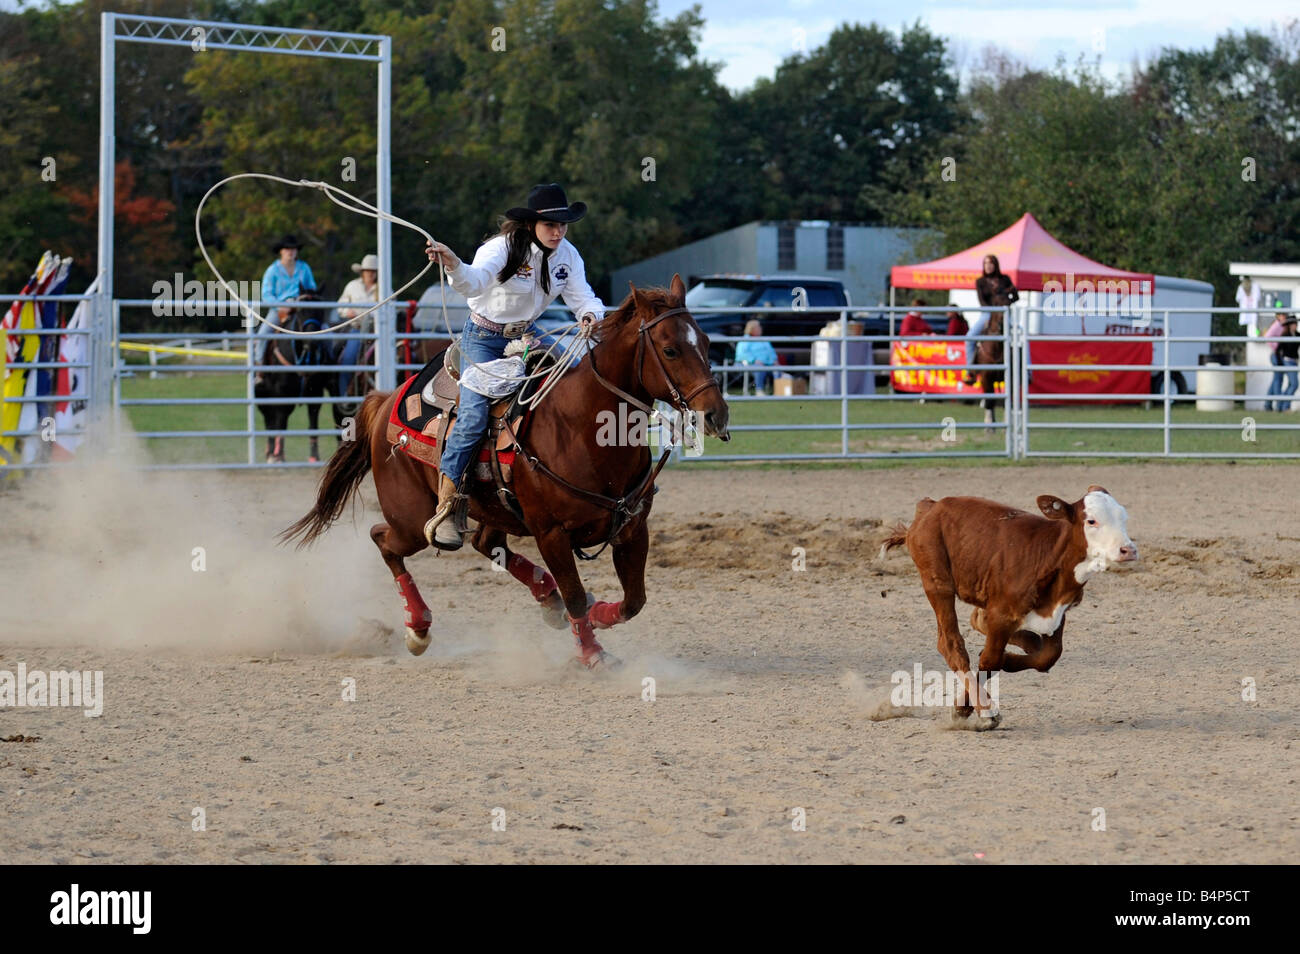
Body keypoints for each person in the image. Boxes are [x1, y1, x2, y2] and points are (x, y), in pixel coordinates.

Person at [423, 183, 605, 550]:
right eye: (550, 225)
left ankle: (593, 476)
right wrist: (455, 264)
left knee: (578, 379)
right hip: (483, 336)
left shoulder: (567, 256)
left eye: (563, 225)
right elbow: (472, 283)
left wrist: (589, 315)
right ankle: (447, 502)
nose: (558, 232)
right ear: (532, 224)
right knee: (473, 416)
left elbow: (583, 296)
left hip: (529, 333)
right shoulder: (502, 248)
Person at [965, 254, 1018, 384]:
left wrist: (1006, 302)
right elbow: (982, 301)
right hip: (988, 314)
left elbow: (1016, 296)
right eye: (986, 263)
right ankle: (970, 371)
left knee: (1021, 335)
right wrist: (993, 310)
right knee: (970, 337)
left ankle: (1027, 372)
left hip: (1003, 313)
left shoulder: (1005, 279)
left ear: (995, 265)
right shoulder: (980, 282)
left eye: (990, 263)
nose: (988, 266)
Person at [335, 253, 378, 395]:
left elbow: (391, 310)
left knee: (392, 361)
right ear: (362, 272)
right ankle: (344, 396)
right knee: (348, 360)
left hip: (378, 332)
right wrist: (348, 311)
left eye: (373, 271)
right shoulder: (352, 286)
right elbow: (340, 306)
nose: (370, 274)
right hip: (357, 329)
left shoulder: (383, 288)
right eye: (368, 271)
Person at [1265, 313, 1298, 412]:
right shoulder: (1278, 325)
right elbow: (1268, 337)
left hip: (1281, 356)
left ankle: (1270, 404)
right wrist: (1277, 350)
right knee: (1278, 381)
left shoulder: (1289, 331)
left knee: (1277, 380)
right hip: (1278, 356)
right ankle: (1280, 405)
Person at [733, 319, 777, 394]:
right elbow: (742, 354)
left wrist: (775, 360)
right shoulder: (745, 340)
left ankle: (779, 391)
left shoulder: (764, 340)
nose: (760, 329)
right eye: (758, 327)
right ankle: (759, 390)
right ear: (752, 329)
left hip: (767, 365)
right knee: (759, 368)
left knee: (778, 369)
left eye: (760, 327)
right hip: (747, 364)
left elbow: (771, 352)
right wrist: (754, 360)